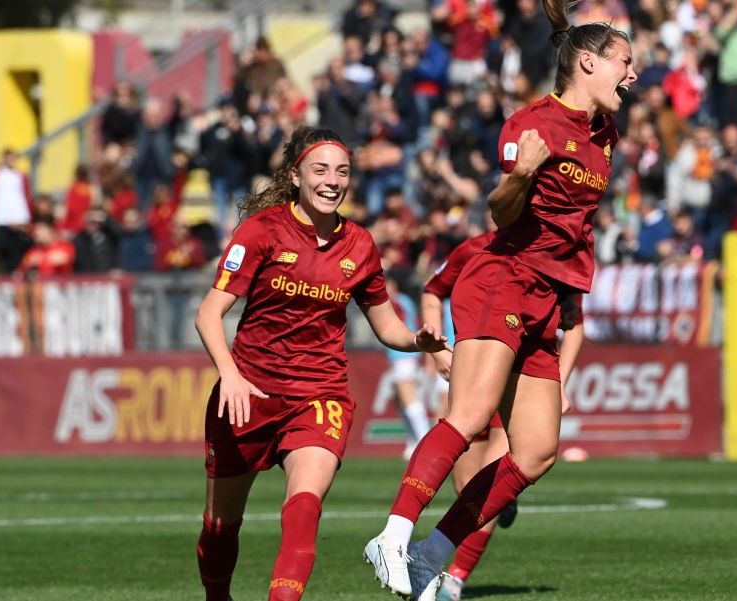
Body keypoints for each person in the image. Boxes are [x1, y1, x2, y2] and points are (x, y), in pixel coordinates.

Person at [364, 2, 637, 598]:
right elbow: (501, 211)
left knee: (536, 452)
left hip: (546, 295)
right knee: (467, 418)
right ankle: (392, 533)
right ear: (588, 63)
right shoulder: (530, 126)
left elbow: (575, 226)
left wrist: (570, 294)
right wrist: (520, 176)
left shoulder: (606, 134)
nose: (633, 75)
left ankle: (433, 555)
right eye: (625, 62)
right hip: (503, 279)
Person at [194, 125, 447, 601]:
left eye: (342, 171)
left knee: (305, 506)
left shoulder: (360, 245)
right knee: (219, 530)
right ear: (296, 176)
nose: (332, 180)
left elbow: (388, 327)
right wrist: (229, 374)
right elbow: (209, 313)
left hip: (319, 393)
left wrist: (421, 340)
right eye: (320, 169)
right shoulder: (262, 231)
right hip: (248, 395)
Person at [419, 230, 584, 601]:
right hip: (471, 376)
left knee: (492, 485)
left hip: (517, 381)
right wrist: (436, 351)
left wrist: (560, 382)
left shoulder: (555, 253)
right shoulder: (476, 247)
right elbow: (433, 290)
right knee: (467, 490)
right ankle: (502, 500)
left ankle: (455, 579)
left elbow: (574, 325)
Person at [385, 275, 433, 460]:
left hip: (404, 356)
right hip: (399, 356)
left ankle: (423, 442)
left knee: (410, 399)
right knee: (400, 398)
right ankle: (413, 441)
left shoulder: (398, 302)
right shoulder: (402, 302)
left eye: (387, 284)